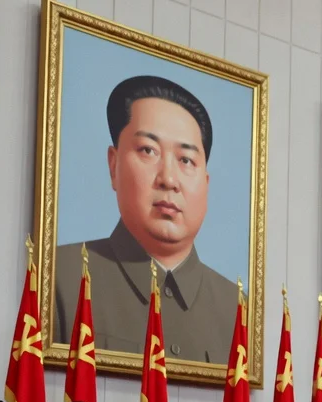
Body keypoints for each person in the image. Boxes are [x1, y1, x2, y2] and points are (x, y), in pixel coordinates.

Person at [53, 75, 237, 365]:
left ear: (206, 182)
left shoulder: (237, 308)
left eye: (186, 160)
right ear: (113, 165)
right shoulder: (59, 276)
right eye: (148, 151)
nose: (169, 179)